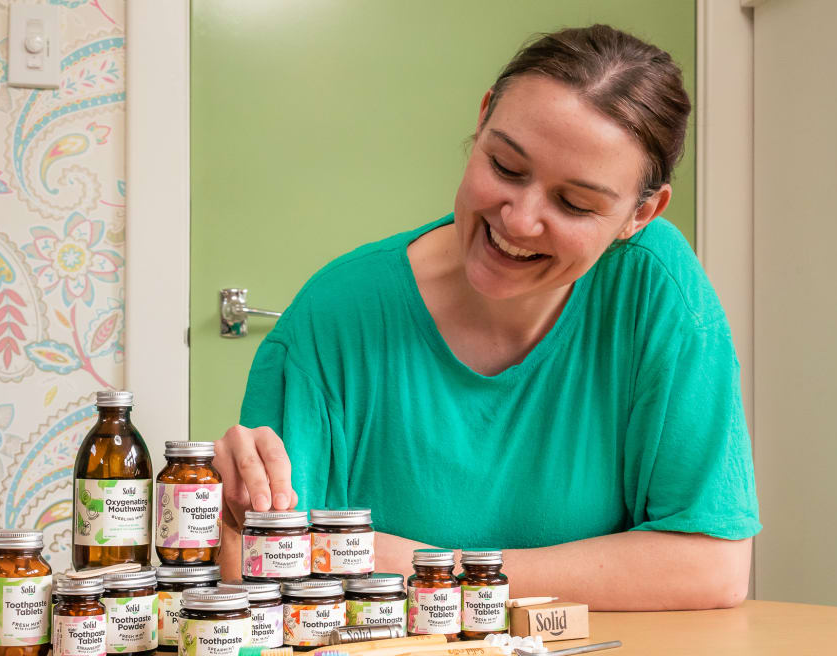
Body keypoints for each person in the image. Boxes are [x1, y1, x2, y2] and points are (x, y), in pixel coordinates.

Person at [212, 24, 760, 611]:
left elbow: (712, 565)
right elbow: (266, 565)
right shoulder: (334, 316)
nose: (520, 221)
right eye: (505, 166)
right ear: (481, 122)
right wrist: (232, 515)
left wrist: (428, 569)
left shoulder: (656, 287)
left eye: (574, 203)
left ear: (641, 213)